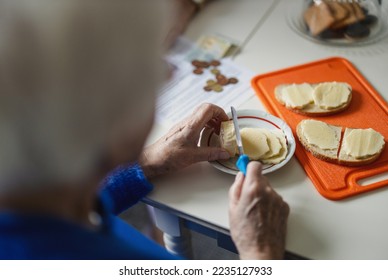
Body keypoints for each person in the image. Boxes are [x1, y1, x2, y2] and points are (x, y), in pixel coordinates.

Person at [0, 0, 289, 260]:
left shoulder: (43, 195)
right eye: (149, 64)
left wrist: (145, 164)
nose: (169, 73)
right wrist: (261, 252)